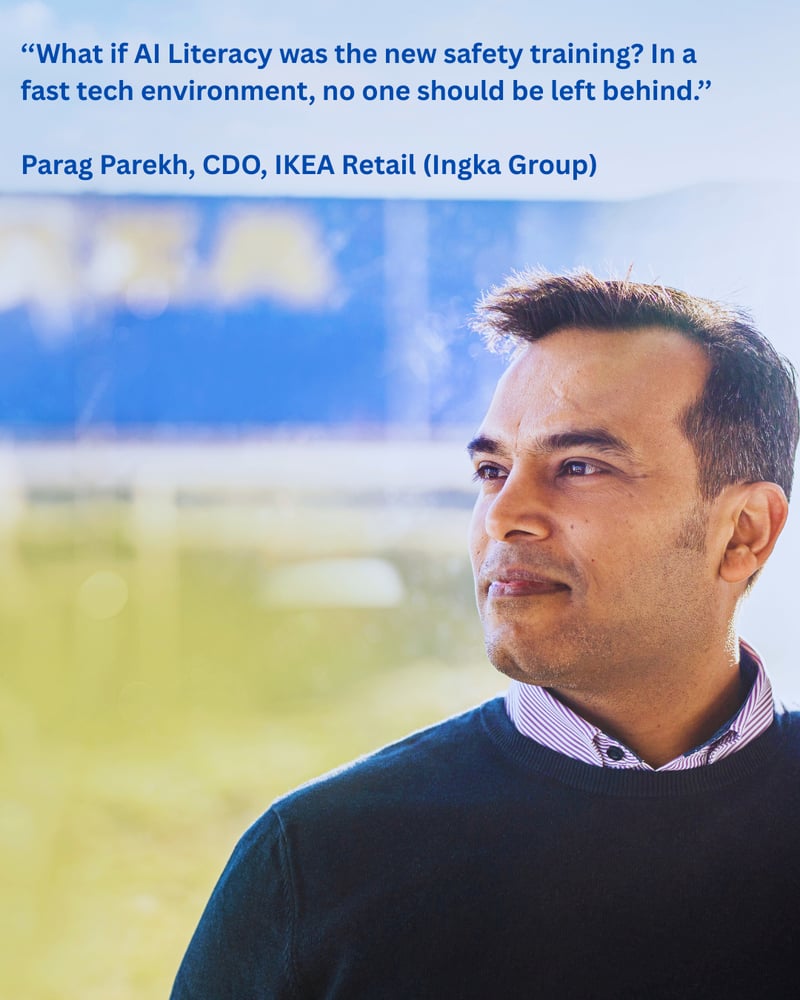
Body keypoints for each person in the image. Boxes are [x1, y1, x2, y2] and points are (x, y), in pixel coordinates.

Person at [171, 270, 800, 999]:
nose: (503, 515)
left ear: (744, 532)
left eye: (579, 466)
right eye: (492, 469)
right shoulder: (314, 863)